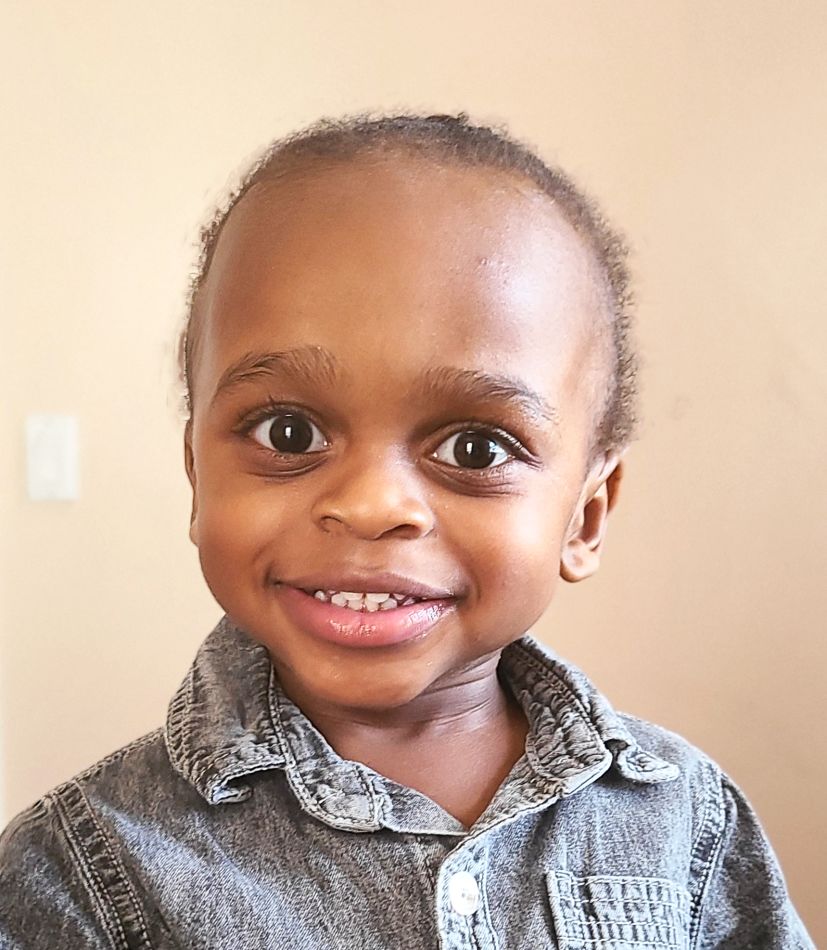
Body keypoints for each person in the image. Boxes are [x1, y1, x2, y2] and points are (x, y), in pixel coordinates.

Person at [0, 113, 813, 948]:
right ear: (197, 475)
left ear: (585, 514)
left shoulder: (686, 824)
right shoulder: (82, 872)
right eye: (288, 433)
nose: (371, 504)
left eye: (475, 448)